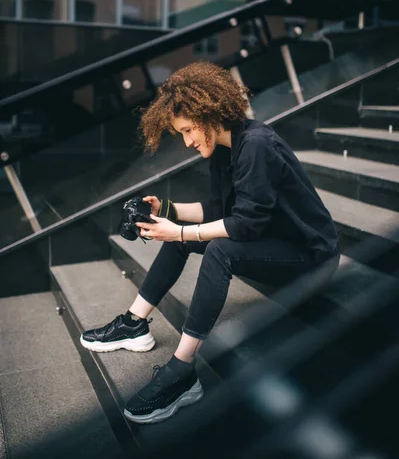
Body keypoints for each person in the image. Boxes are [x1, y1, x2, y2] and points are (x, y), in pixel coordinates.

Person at [80, 62, 340, 424]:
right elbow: (220, 209)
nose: (186, 141)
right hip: (272, 242)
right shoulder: (223, 147)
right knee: (184, 237)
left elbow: (244, 226)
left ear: (210, 112)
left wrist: (180, 232)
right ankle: (133, 323)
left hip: (310, 258)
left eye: (188, 130)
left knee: (219, 248)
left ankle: (182, 371)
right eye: (180, 133)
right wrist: (167, 210)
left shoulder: (257, 145)